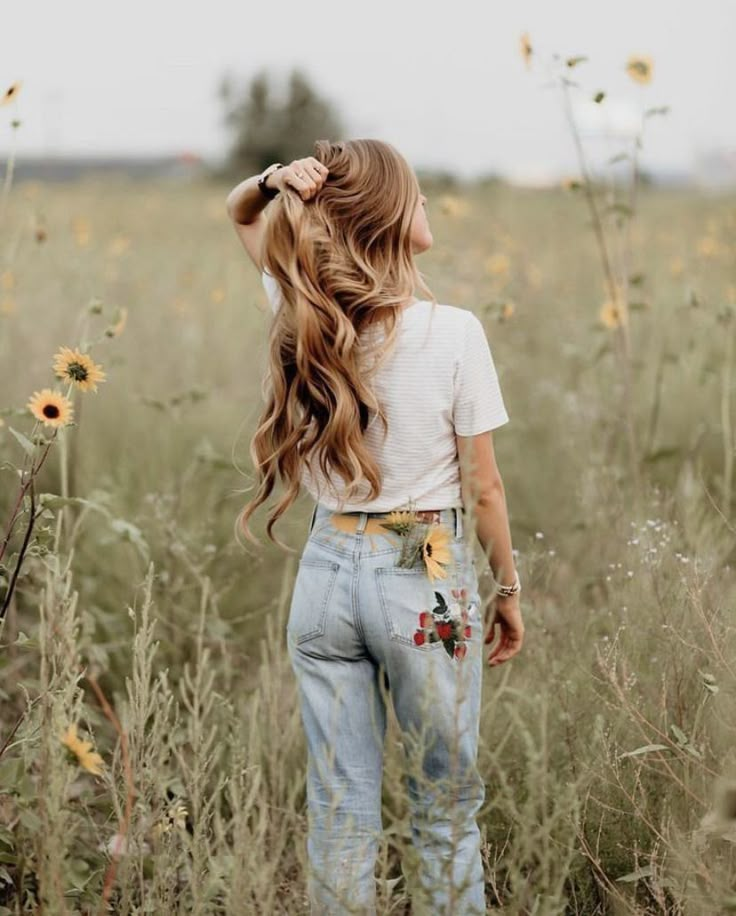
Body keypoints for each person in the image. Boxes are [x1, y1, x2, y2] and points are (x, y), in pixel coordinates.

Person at [226, 139, 524, 915]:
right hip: (422, 568)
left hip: (326, 569)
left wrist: (270, 181)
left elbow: (239, 211)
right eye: (419, 196)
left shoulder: (304, 312)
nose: (428, 207)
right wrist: (508, 588)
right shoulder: (454, 332)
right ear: (392, 217)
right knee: (445, 806)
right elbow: (484, 489)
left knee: (340, 807)